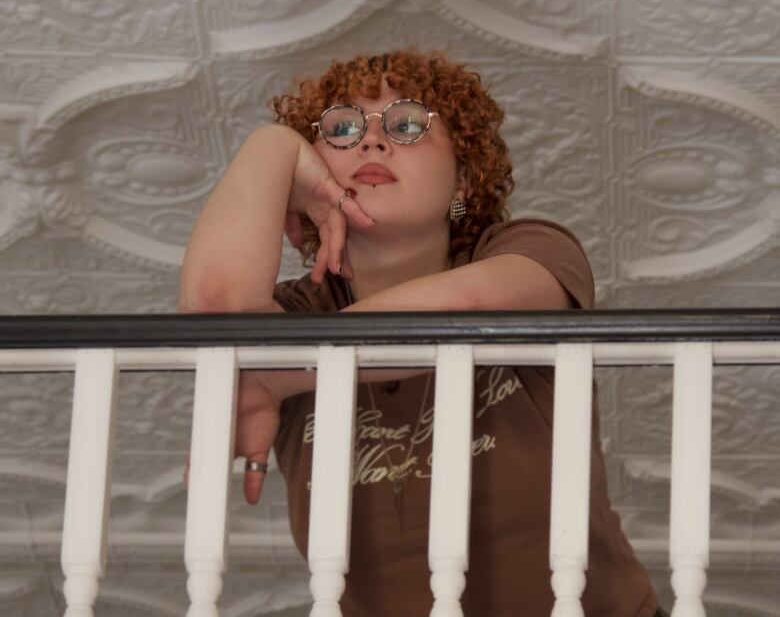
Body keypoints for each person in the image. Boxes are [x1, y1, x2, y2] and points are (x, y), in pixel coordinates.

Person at [179, 50, 666, 617]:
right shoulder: (300, 311)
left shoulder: (531, 250)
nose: (373, 142)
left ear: (462, 179)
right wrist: (273, 146)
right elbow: (214, 304)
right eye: (341, 128)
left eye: (407, 125)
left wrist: (272, 374)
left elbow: (469, 307)